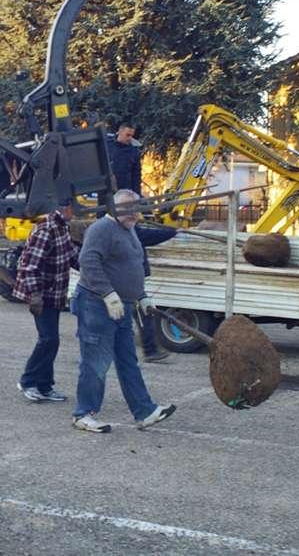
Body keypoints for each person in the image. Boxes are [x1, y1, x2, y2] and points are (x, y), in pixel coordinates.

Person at [70, 189, 176, 433]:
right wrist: (107, 293)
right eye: (127, 208)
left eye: (136, 208)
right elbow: (88, 261)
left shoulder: (128, 230)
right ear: (114, 208)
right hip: (96, 305)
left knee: (128, 360)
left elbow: (130, 267)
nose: (133, 213)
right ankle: (83, 414)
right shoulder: (101, 229)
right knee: (96, 362)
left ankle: (145, 411)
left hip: (122, 307)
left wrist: (141, 296)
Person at [11, 205, 79, 403]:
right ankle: (28, 381)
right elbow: (30, 265)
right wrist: (35, 295)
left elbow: (71, 257)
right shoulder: (47, 228)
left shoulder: (62, 227)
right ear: (64, 207)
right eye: (73, 208)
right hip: (43, 294)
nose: (76, 212)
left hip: (54, 294)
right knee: (48, 339)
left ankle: (45, 385)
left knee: (51, 340)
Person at [133, 225, 179, 362]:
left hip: (133, 278)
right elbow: (148, 236)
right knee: (143, 313)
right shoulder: (127, 229)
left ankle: (150, 350)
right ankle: (150, 351)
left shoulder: (124, 225)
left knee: (139, 313)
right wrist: (172, 231)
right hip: (131, 280)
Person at [107, 123, 142, 193]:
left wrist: (137, 194)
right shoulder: (107, 146)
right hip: (107, 190)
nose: (129, 138)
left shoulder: (134, 152)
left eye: (132, 136)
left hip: (125, 192)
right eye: (127, 135)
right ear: (120, 132)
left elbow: (136, 176)